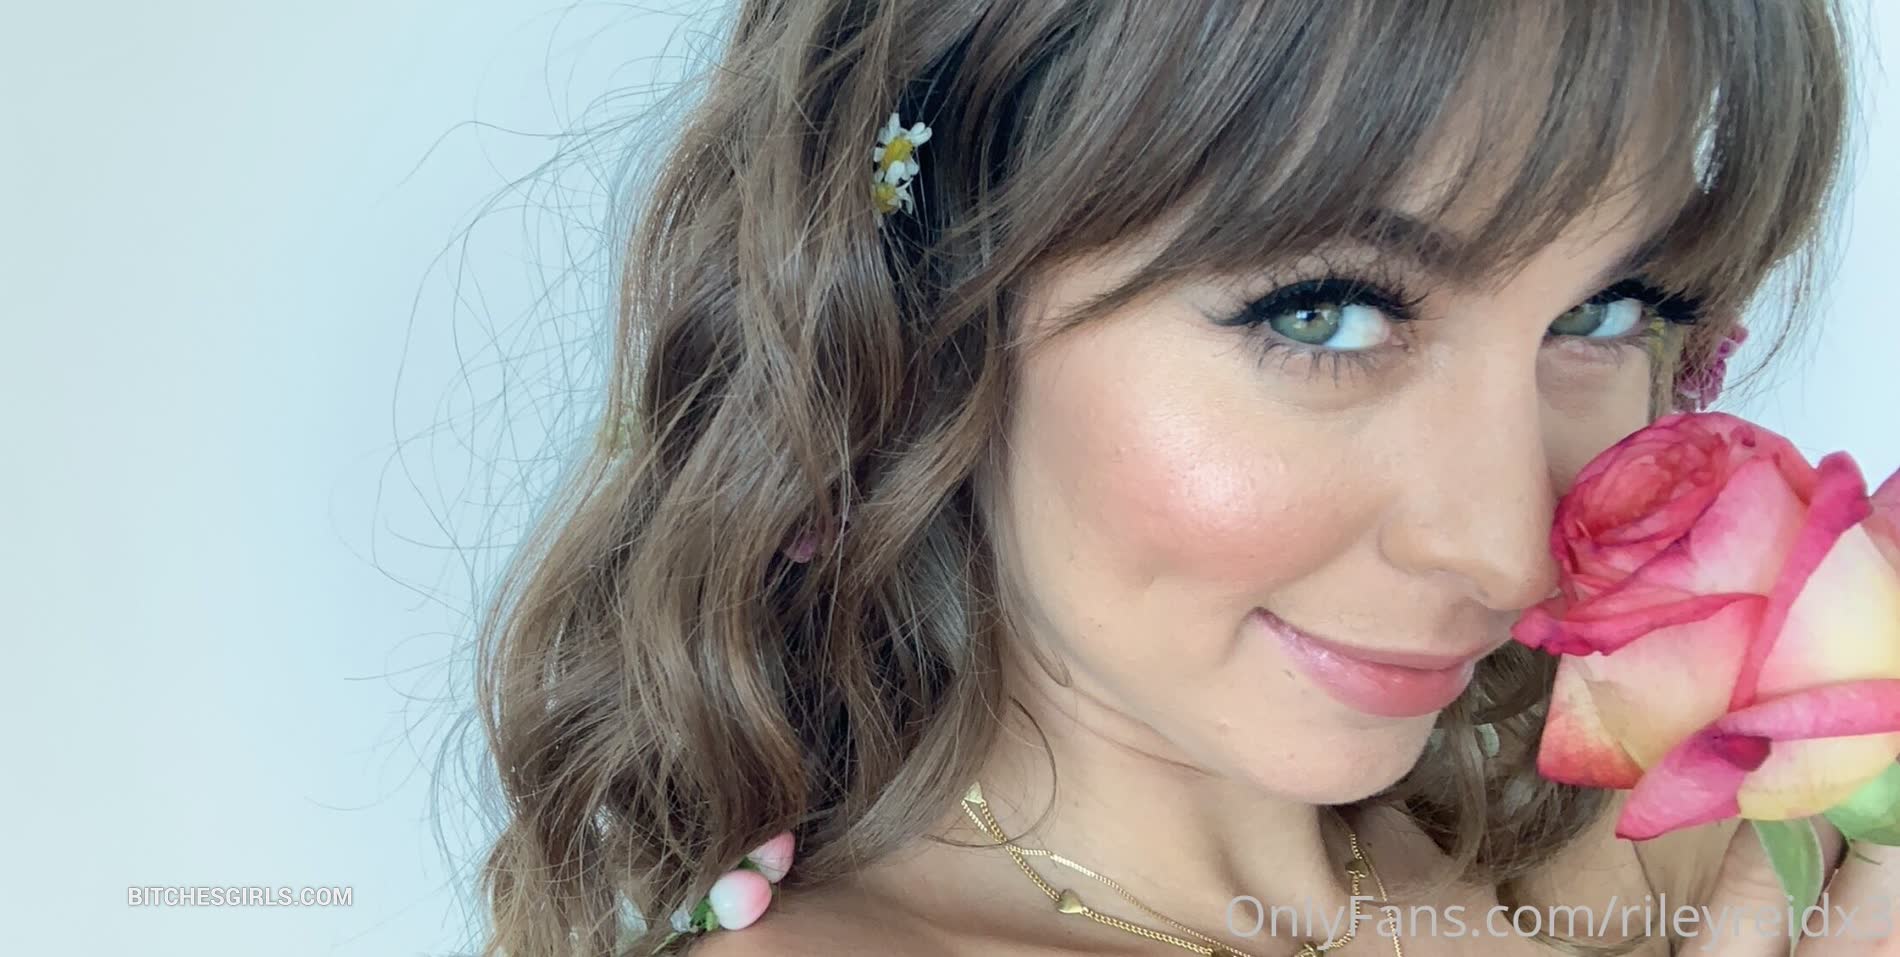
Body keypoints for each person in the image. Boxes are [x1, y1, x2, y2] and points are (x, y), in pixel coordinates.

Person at [473, 1, 1897, 954]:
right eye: (1323, 314)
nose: (1510, 549)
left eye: (1602, 311)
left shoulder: (1708, 876)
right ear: (920, 311)